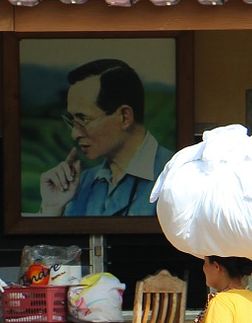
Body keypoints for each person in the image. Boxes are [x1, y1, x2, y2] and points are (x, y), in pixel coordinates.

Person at [38, 58, 175, 217]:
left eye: (83, 119)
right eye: (72, 121)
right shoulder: (82, 183)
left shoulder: (174, 174)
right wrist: (52, 207)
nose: (74, 134)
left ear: (124, 117)